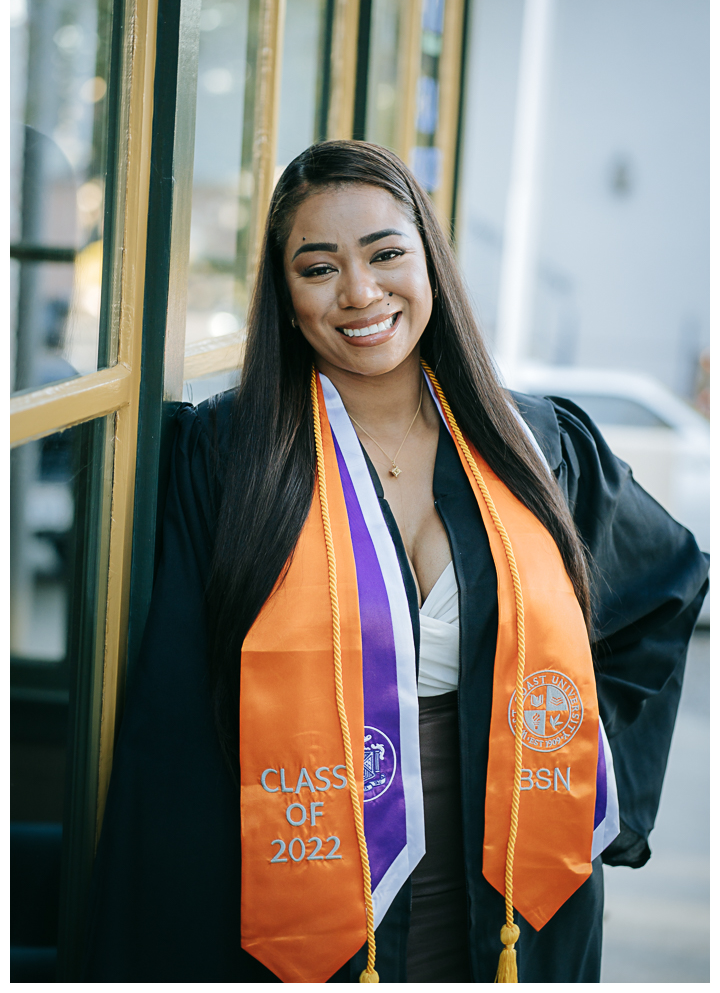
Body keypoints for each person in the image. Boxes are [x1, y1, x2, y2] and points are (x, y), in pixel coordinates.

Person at [83, 141, 708, 984]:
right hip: (304, 857)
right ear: (285, 294)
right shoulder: (229, 457)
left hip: (512, 864)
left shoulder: (535, 444)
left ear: (430, 262)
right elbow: (175, 713)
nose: (360, 293)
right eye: (318, 268)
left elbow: (663, 587)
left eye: (385, 254)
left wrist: (607, 793)